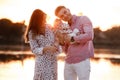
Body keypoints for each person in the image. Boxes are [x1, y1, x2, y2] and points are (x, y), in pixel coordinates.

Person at [54, 6, 94, 80]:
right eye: (62, 16)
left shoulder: (83, 19)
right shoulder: (64, 28)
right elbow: (65, 48)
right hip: (68, 62)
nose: (65, 16)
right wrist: (61, 40)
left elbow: (89, 35)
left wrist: (73, 38)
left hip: (82, 60)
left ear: (68, 9)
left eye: (65, 12)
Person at [24, 9, 60, 80]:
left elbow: (57, 38)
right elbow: (34, 50)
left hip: (53, 60)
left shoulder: (49, 27)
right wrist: (46, 48)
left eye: (45, 19)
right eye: (43, 20)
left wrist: (56, 45)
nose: (45, 22)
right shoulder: (32, 32)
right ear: (37, 21)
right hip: (41, 62)